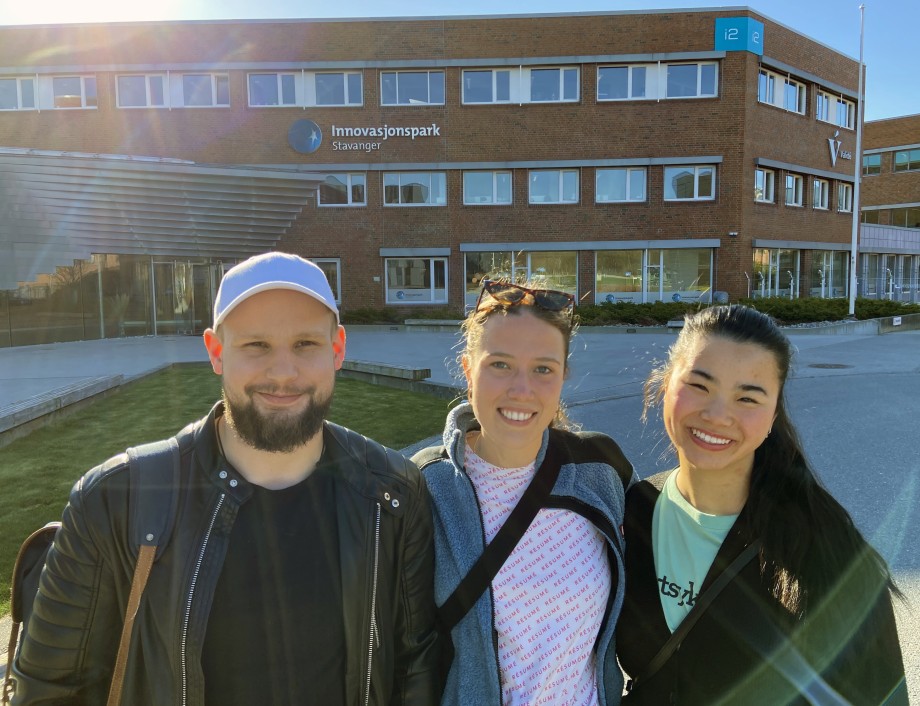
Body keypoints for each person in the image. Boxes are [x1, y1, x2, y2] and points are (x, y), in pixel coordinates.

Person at [9, 252, 442, 705]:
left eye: (305, 344)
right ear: (216, 352)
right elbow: (49, 689)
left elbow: (416, 670)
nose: (282, 372)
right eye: (256, 345)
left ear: (338, 349)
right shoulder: (116, 499)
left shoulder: (393, 493)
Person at [617, 305, 907, 705]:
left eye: (747, 398)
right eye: (699, 385)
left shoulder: (825, 549)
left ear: (773, 414)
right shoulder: (635, 511)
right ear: (666, 384)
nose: (717, 415)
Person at [414, 279, 636, 706]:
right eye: (500, 364)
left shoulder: (600, 473)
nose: (522, 389)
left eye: (543, 369)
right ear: (467, 369)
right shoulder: (424, 488)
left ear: (563, 375)